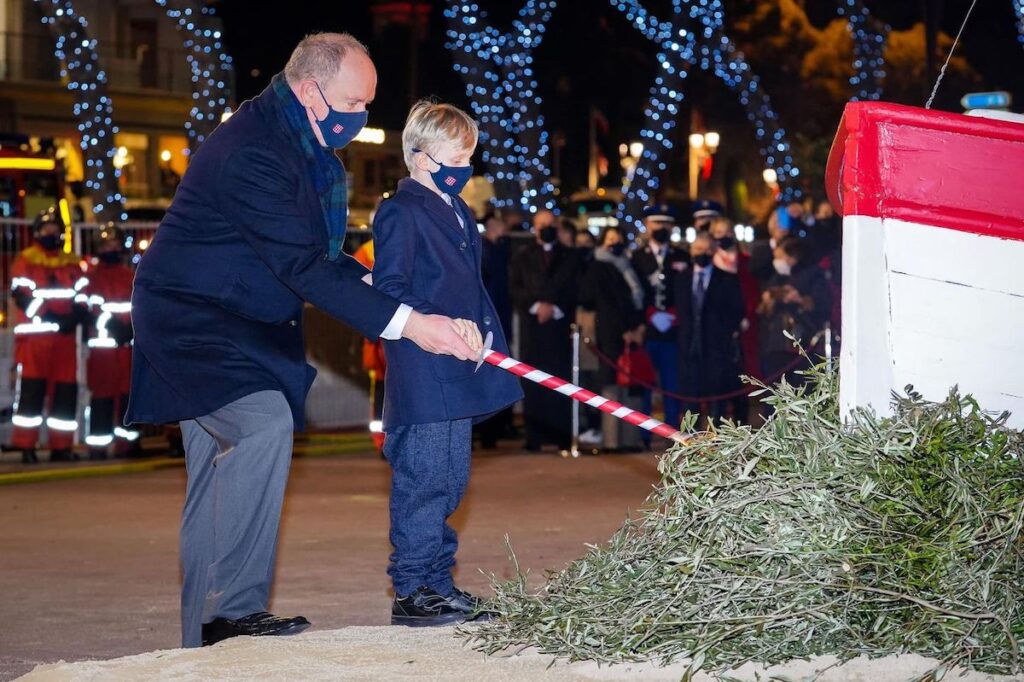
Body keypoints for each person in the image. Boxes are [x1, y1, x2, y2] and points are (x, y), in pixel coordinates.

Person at [125, 33, 479, 648]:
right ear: (312, 90)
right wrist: (412, 324)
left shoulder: (303, 140)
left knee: (214, 472)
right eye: (355, 101)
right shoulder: (256, 149)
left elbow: (322, 256)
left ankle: (204, 641)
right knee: (262, 427)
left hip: (240, 320)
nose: (363, 116)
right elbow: (304, 268)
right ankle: (232, 611)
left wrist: (387, 291)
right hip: (193, 323)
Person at [372, 100, 522, 625]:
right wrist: (436, 321)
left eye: (469, 158)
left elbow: (473, 287)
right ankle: (412, 590)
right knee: (424, 480)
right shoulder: (400, 211)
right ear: (418, 156)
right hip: (422, 367)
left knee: (451, 481)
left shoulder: (460, 213)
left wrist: (484, 331)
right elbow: (390, 289)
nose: (463, 168)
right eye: (454, 157)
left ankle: (439, 583)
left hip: (460, 364)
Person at [9, 207, 88, 463]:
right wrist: (48, 317)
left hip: (64, 341)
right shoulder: (26, 260)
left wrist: (75, 316)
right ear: (37, 232)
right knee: (31, 395)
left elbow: (83, 295)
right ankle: (26, 447)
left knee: (65, 395)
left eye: (55, 229)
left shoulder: (72, 262)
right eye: (47, 229)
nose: (51, 233)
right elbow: (21, 295)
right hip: (36, 340)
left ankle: (61, 447)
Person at [510, 208, 579, 451]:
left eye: (551, 224)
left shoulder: (570, 256)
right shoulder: (523, 256)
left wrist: (554, 307)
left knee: (560, 380)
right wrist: (537, 306)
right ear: (535, 227)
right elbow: (515, 287)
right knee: (533, 381)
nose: (547, 228)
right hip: (533, 328)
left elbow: (575, 287)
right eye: (542, 224)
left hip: (559, 328)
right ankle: (534, 436)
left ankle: (560, 434)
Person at [580, 226, 646, 446]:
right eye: (609, 239)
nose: (614, 243)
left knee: (631, 382)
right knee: (611, 382)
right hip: (611, 332)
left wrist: (637, 326)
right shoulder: (598, 266)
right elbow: (608, 302)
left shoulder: (628, 265)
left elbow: (635, 298)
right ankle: (612, 438)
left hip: (631, 333)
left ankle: (630, 437)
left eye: (617, 239)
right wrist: (625, 328)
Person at [83, 224, 140, 459]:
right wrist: (114, 326)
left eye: (115, 245)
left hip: (127, 348)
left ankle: (129, 446)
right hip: (103, 349)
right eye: (107, 245)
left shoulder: (131, 276)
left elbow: (139, 307)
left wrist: (131, 330)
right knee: (103, 398)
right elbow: (89, 308)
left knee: (129, 398)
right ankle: (98, 447)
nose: (112, 249)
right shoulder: (91, 278)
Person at [674, 232, 744, 424]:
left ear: (713, 251)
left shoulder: (727, 279)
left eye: (706, 250)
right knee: (690, 398)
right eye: (697, 249)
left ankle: (717, 443)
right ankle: (690, 441)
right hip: (688, 348)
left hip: (716, 349)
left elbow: (736, 311)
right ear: (690, 251)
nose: (701, 253)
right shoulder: (682, 279)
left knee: (717, 399)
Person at [630, 204, 689, 431]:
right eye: (656, 223)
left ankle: (672, 431)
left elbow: (686, 290)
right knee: (644, 382)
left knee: (672, 384)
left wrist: (675, 314)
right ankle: (645, 433)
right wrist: (648, 315)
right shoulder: (636, 257)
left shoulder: (681, 255)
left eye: (666, 223)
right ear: (647, 225)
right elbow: (633, 292)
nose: (661, 227)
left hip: (673, 331)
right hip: (647, 330)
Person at [757, 236, 832, 388]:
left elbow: (822, 305)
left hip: (804, 342)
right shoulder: (777, 277)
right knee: (775, 390)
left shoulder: (813, 275)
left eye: (780, 256)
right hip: (776, 344)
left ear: (792, 258)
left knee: (803, 388)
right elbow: (763, 308)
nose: (777, 261)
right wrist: (768, 300)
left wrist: (799, 299)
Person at [476, 211, 514, 449]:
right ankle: (484, 432)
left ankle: (494, 430)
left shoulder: (500, 251)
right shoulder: (484, 252)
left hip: (499, 321)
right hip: (484, 323)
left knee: (497, 376)